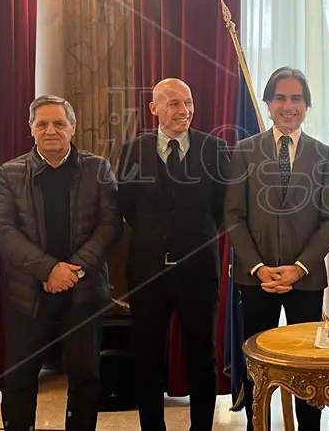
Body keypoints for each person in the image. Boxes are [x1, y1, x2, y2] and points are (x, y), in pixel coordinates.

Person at [0, 95, 122, 431]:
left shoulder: (97, 169)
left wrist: (71, 270)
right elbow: (3, 231)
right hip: (28, 293)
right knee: (19, 378)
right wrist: (49, 269)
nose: (51, 130)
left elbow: (110, 226)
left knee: (85, 377)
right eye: (43, 124)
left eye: (59, 123)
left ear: (72, 127)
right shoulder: (10, 173)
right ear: (31, 129)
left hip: (83, 290)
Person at [224, 67, 329, 431]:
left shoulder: (325, 155)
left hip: (305, 280)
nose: (288, 106)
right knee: (256, 365)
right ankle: (256, 425)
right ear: (268, 103)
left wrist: (299, 267)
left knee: (308, 365)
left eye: (296, 98)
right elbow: (234, 216)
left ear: (307, 105)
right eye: (280, 97)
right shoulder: (245, 151)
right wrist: (259, 267)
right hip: (255, 279)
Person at [117, 78, 229, 431]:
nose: (184, 110)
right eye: (174, 103)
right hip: (147, 272)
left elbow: (221, 207)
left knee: (202, 357)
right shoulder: (134, 150)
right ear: (154, 108)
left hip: (198, 270)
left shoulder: (215, 149)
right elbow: (126, 206)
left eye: (188, 102)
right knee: (148, 357)